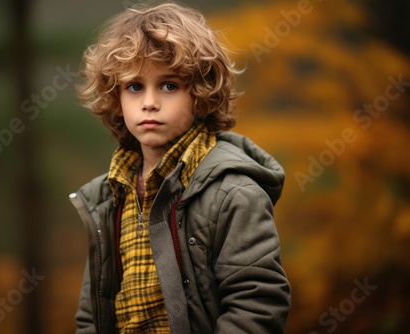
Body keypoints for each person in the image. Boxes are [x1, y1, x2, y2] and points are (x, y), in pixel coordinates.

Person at [69, 2, 291, 333]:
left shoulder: (233, 193)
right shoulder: (108, 199)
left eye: (169, 85)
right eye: (134, 86)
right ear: (116, 99)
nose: (149, 101)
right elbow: (92, 314)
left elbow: (258, 303)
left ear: (200, 95)